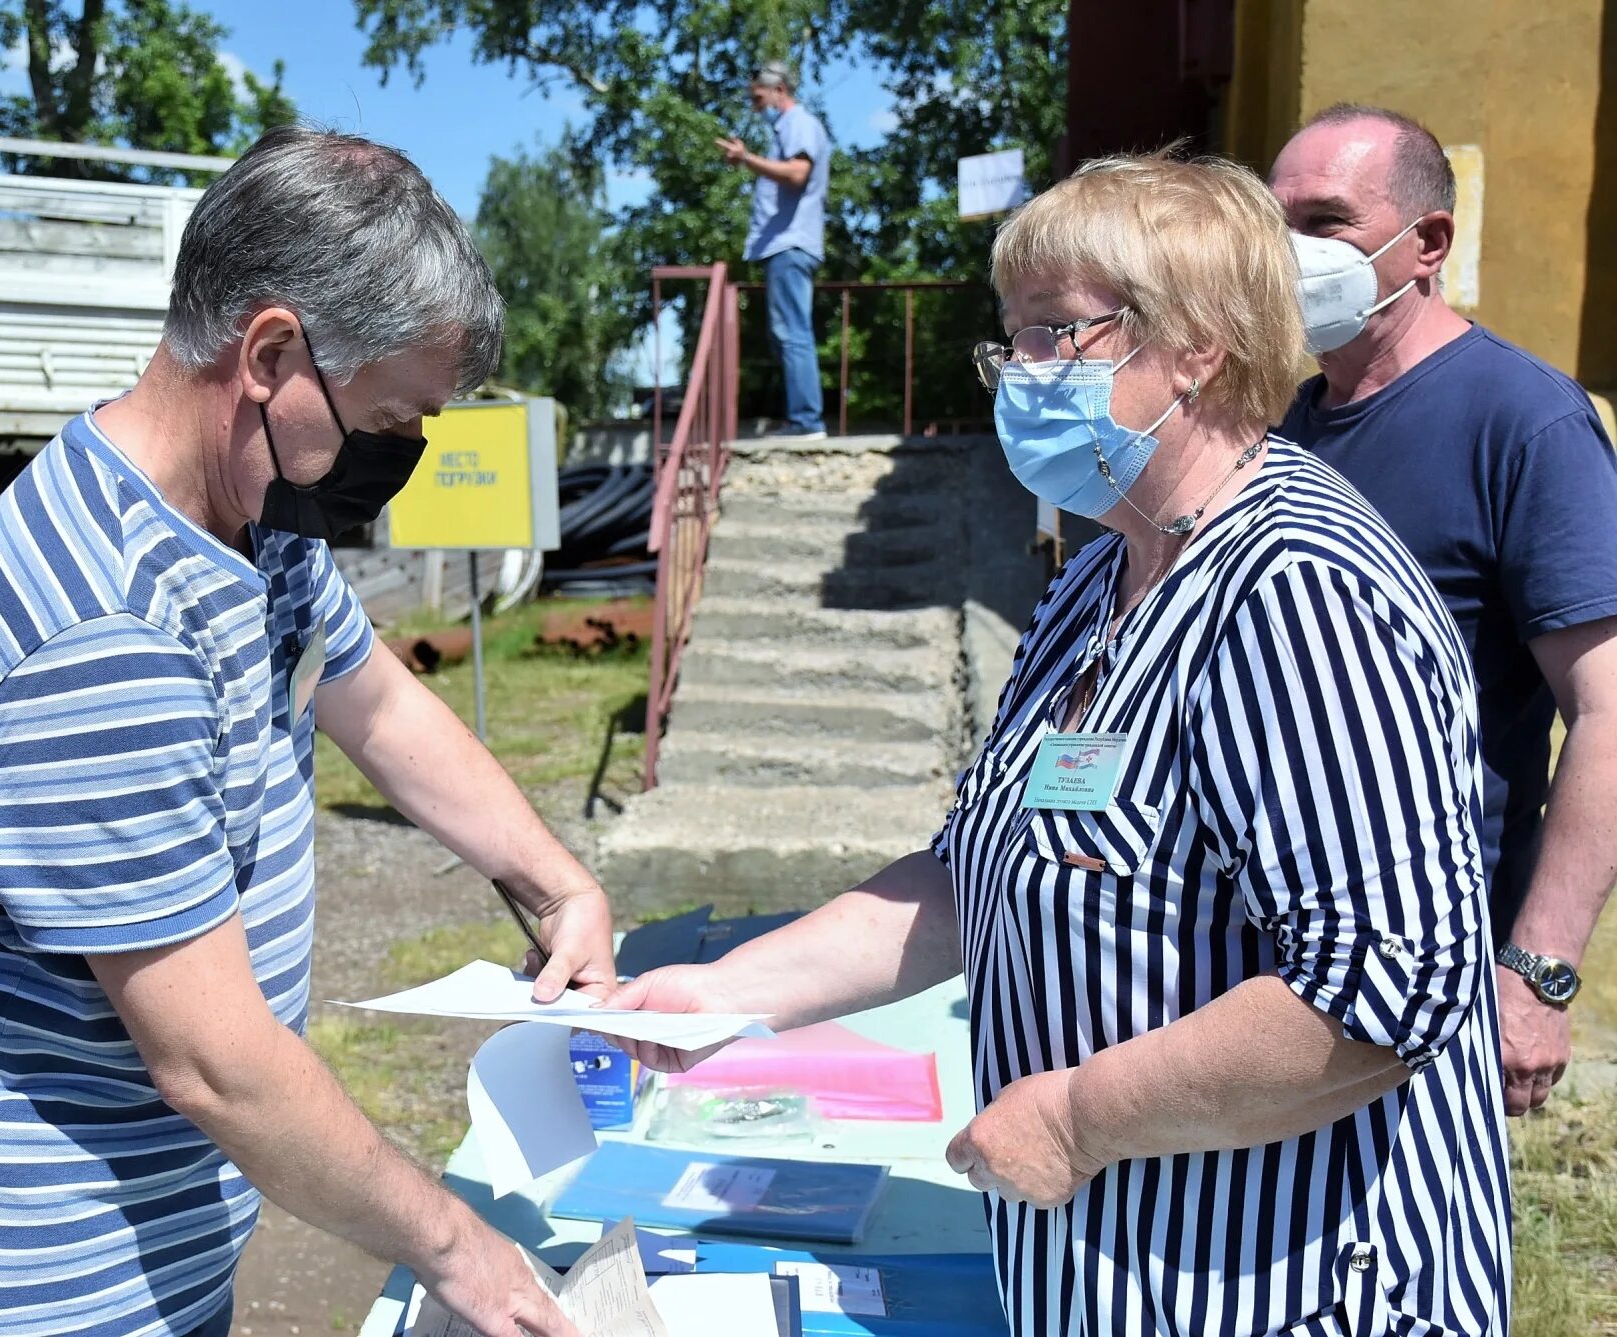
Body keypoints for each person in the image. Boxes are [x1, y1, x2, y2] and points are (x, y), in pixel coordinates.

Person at [607, 153, 1509, 1335]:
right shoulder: (1101, 577)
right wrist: (728, 992)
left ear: (1197, 345)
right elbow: (971, 867)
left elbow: (1379, 990)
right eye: (1011, 340)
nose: (1018, 376)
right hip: (1111, 1275)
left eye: (1054, 335)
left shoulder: (1298, 591)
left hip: (1296, 1289)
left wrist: (1078, 1113)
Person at [0, 126, 612, 1337]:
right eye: (389, 419)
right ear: (270, 352)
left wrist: (553, 879)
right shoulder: (100, 628)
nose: (404, 459)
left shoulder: (247, 518)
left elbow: (372, 700)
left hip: (123, 1242)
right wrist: (460, 1252)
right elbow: (216, 1062)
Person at [1272, 104, 1617, 1116]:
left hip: (1427, 979)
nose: (1286, 254)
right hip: (1275, 970)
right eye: (1271, 223)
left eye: (1323, 222)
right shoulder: (1289, 423)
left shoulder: (1523, 421)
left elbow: (1604, 712)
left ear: (1425, 244)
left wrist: (1537, 971)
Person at [716, 59, 832, 441]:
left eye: (758, 97)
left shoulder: (799, 123)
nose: (755, 106)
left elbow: (798, 174)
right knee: (787, 331)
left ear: (779, 90)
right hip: (789, 245)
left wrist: (747, 159)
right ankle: (803, 418)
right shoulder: (789, 126)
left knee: (792, 331)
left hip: (791, 244)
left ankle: (806, 421)